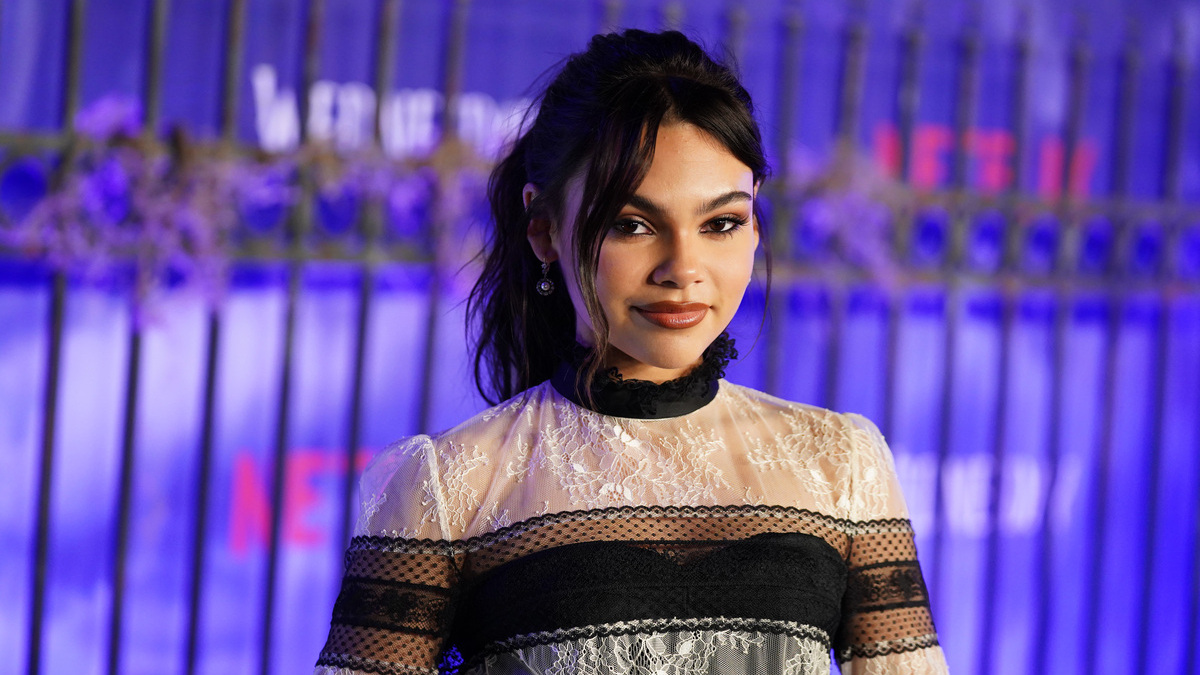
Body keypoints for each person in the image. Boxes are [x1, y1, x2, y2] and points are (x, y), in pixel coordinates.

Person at [316, 29, 947, 675]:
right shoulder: (450, 488)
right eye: (632, 224)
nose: (683, 268)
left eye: (721, 223)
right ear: (543, 228)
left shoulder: (840, 465)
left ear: (755, 223)